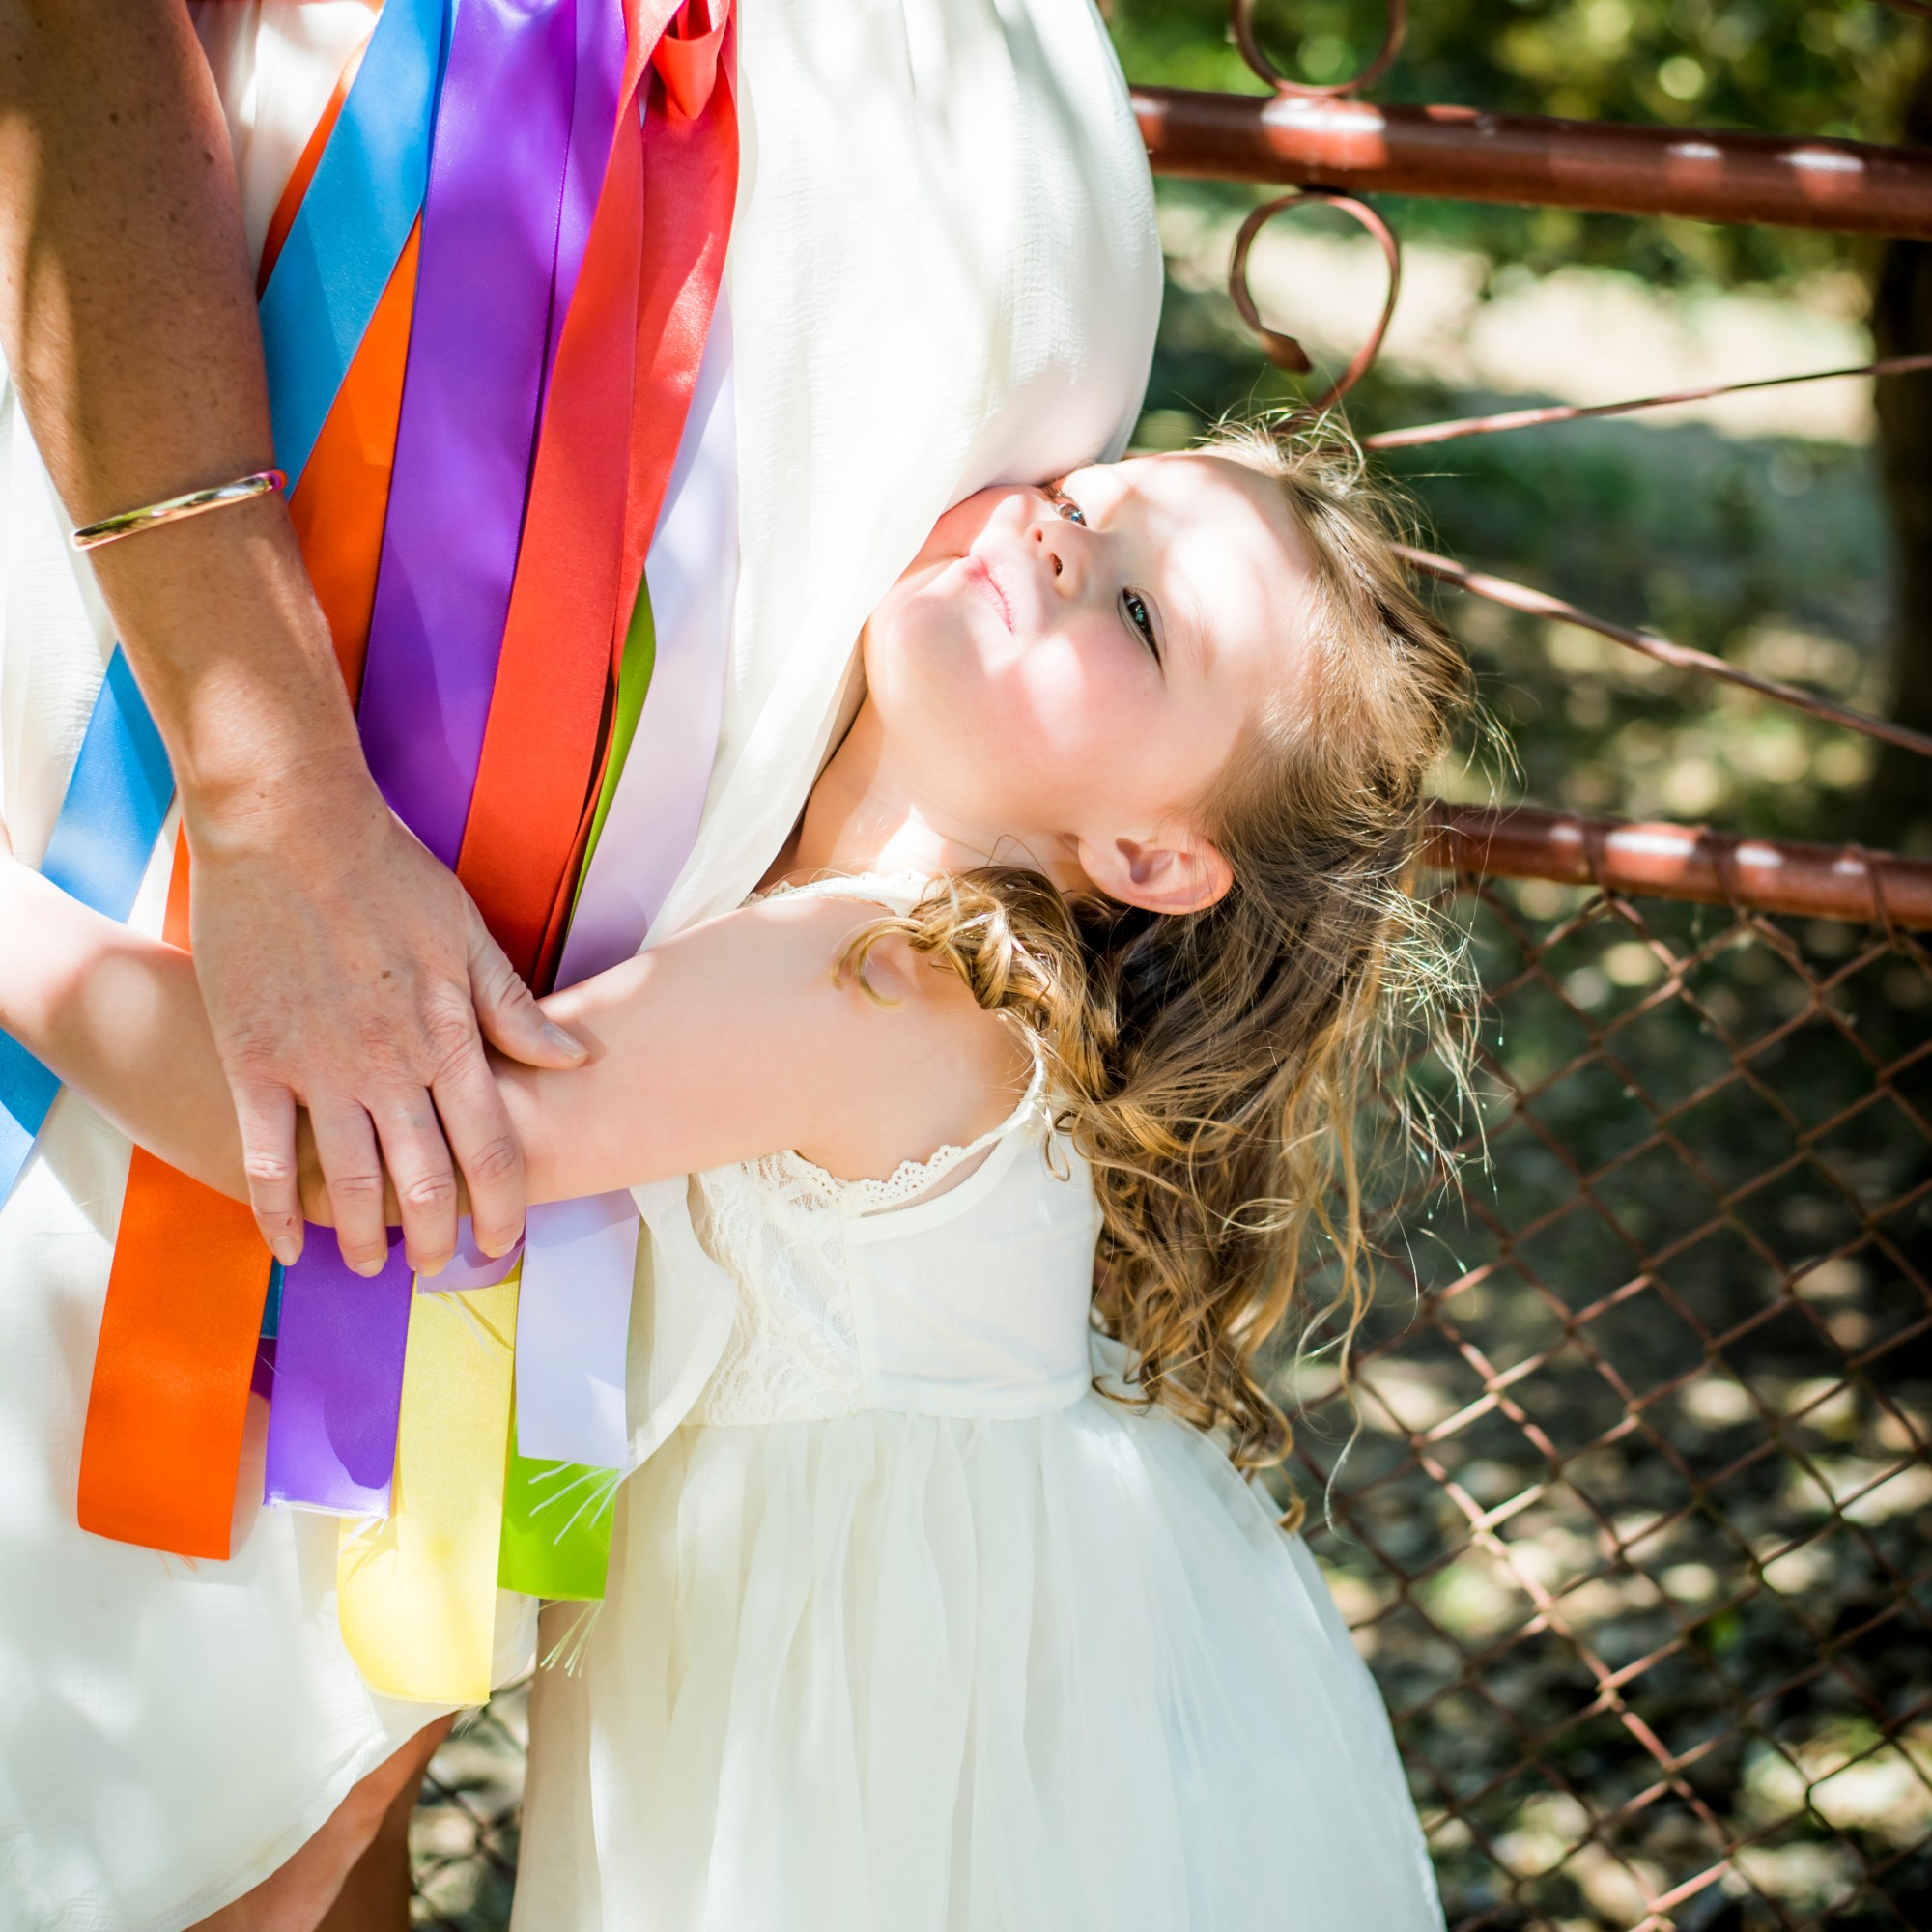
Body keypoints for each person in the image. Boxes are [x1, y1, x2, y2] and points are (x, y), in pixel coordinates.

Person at [0, 2, 1157, 1923]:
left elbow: (474, 1146)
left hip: (626, 827)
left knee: (339, 1609)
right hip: (303, 567)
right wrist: (272, 780)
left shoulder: (892, 980)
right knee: (154, 1578)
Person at [0, 427, 1466, 1929]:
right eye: (1086, 500)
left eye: (1143, 618)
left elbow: (386, 1140)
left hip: (867, 1740)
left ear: (1151, 858)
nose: (1056, 540)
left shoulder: (881, 979)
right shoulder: (898, 945)